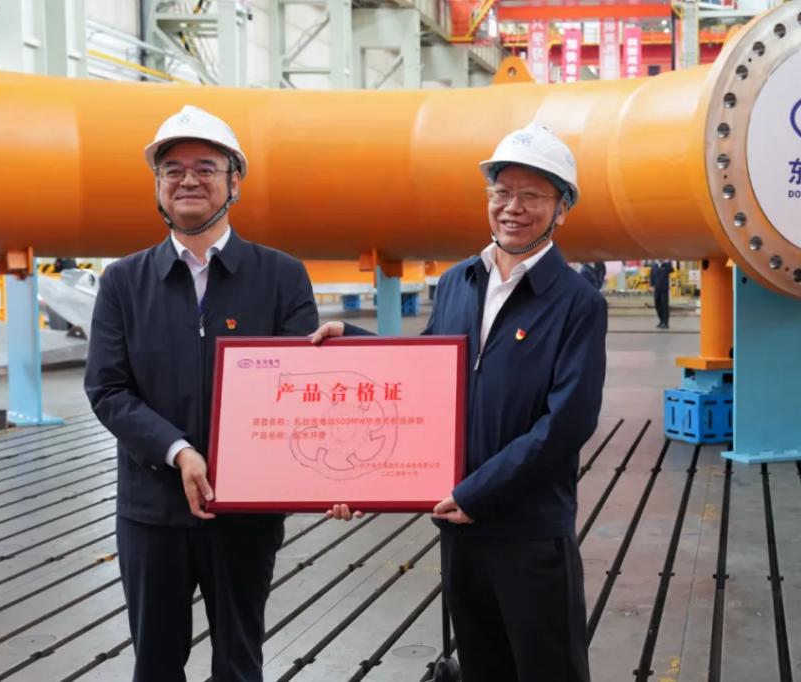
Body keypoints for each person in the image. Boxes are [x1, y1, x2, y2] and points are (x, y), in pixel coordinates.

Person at [314, 123, 607, 682]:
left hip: (528, 529)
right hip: (459, 526)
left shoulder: (578, 303)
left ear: (562, 209)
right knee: (482, 667)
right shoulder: (457, 283)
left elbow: (567, 423)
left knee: (549, 670)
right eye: (502, 192)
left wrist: (480, 492)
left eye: (532, 195)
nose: (513, 208)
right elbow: (423, 378)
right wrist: (352, 343)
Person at [84, 105, 318, 682]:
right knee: (156, 662)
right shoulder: (123, 282)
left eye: (206, 168)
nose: (188, 180)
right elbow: (107, 388)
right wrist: (178, 451)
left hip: (246, 510)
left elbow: (304, 387)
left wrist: (330, 480)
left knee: (239, 661)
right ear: (158, 185)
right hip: (152, 507)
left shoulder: (281, 276)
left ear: (234, 181)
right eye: (173, 169)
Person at [650, 259, 673, 328]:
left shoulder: (667, 265)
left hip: (664, 289)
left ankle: (665, 323)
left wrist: (668, 261)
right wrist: (651, 285)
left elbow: (672, 269)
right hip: (656, 289)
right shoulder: (654, 266)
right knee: (657, 305)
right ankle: (661, 320)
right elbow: (651, 276)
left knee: (664, 306)